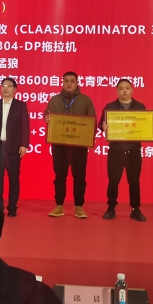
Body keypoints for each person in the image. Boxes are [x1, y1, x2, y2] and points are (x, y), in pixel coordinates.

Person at [44, 72, 96, 218]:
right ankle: (59, 205)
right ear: (62, 83)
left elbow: (92, 120)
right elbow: (47, 114)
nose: (68, 83)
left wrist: (90, 138)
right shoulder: (54, 100)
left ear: (77, 83)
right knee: (60, 176)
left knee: (79, 177)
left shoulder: (85, 100)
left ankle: (79, 207)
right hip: (59, 145)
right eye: (66, 81)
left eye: (72, 81)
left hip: (79, 146)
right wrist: (47, 118)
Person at [100, 78, 150, 222]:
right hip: (116, 149)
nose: (124, 91)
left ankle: (135, 209)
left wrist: (152, 129)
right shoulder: (110, 107)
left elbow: (145, 125)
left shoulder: (140, 107)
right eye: (121, 88)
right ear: (117, 91)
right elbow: (100, 124)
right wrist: (103, 126)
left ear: (132, 90)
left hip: (134, 150)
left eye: (127, 88)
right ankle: (111, 208)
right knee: (113, 180)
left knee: (134, 181)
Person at [0, 78, 29, 217]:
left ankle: (12, 207)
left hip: (13, 148)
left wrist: (24, 145)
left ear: (15, 89)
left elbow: (25, 126)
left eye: (9, 86)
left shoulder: (20, 105)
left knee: (13, 179)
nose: (6, 88)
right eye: (3, 86)